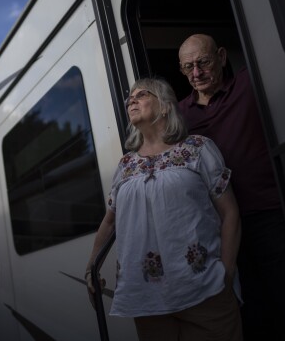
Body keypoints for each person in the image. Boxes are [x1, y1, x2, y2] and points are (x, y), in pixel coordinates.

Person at [177, 33, 285, 340]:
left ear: (223, 57)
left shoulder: (249, 83)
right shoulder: (180, 116)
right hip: (217, 229)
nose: (196, 73)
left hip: (267, 214)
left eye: (203, 62)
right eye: (188, 68)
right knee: (249, 310)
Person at [85, 77, 242, 341]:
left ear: (166, 106)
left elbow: (230, 213)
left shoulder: (197, 149)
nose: (131, 100)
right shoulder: (126, 165)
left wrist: (225, 273)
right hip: (146, 301)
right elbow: (110, 222)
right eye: (129, 98)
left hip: (203, 290)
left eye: (141, 94)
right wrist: (91, 266)